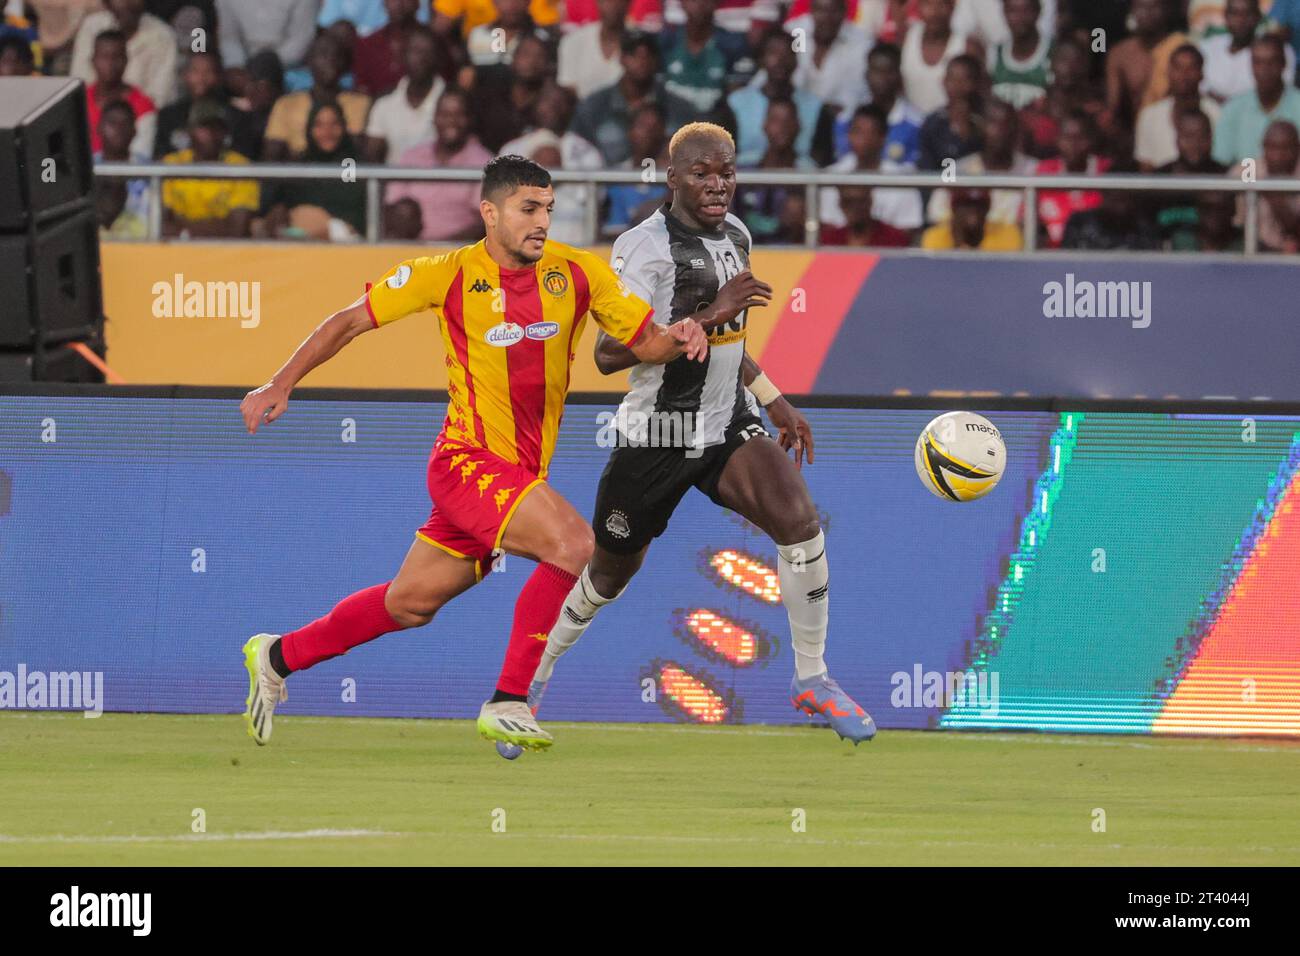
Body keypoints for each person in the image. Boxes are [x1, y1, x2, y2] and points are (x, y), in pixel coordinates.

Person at [238, 155, 708, 752]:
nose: (542, 221)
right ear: (490, 212)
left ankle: (276, 656)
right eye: (528, 209)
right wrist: (279, 383)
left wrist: (684, 333)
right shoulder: (446, 273)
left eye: (549, 209)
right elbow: (348, 322)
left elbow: (646, 342)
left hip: (515, 479)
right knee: (574, 545)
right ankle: (509, 700)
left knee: (409, 604)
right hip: (466, 463)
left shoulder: (578, 274)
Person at [501, 122, 878, 757]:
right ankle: (528, 687)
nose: (717, 185)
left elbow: (732, 342)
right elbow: (609, 353)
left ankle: (811, 677)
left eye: (726, 172)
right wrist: (709, 312)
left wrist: (774, 398)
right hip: (656, 434)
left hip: (726, 421)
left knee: (800, 522)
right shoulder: (642, 248)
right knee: (606, 573)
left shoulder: (737, 235)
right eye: (701, 173)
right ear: (671, 178)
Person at [570, 32, 698, 165]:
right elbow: (577, 153)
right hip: (603, 183)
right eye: (633, 54)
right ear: (622, 59)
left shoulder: (680, 110)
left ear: (656, 60)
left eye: (648, 55)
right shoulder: (594, 107)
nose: (642, 61)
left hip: (663, 182)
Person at [385, 87, 494, 240]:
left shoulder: (484, 162)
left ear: (470, 119)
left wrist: (439, 252)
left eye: (459, 115)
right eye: (444, 114)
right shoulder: (412, 156)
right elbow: (391, 206)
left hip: (457, 254)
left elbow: (486, 223)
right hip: (407, 251)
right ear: (434, 118)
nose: (451, 121)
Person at [256, 101, 367, 240]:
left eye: (334, 124)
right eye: (319, 125)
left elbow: (349, 200)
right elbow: (281, 201)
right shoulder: (302, 162)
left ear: (343, 127)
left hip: (344, 238)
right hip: (297, 238)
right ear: (310, 128)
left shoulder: (348, 163)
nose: (327, 132)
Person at [729, 28, 833, 167]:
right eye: (773, 53)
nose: (781, 60)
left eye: (788, 53)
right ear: (761, 59)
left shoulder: (816, 106)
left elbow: (821, 157)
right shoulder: (736, 103)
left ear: (797, 60)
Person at [262, 32, 372, 161]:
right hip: (299, 175)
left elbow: (357, 151)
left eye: (337, 56)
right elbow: (272, 155)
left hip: (344, 173)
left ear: (345, 63)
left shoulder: (361, 103)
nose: (330, 61)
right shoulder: (286, 104)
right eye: (323, 54)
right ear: (310, 61)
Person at [161, 98, 260, 238]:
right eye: (204, 127)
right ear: (190, 131)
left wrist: (183, 230)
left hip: (225, 253)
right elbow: (162, 223)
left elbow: (237, 229)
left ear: (226, 133)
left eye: (218, 128)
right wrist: (218, 224)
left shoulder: (241, 167)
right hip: (177, 252)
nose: (212, 134)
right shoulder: (172, 163)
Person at [821, 102, 924, 233]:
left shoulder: (902, 180)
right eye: (857, 131)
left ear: (883, 138)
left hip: (888, 251)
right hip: (839, 251)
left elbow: (908, 230)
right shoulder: (830, 176)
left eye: (870, 133)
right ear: (848, 135)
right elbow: (826, 227)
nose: (862, 139)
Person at [71, 0, 178, 107]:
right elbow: (79, 82)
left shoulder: (163, 36)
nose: (128, 3)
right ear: (107, 3)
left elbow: (159, 97)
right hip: (91, 112)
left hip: (142, 116)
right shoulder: (92, 27)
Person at [1212, 34, 1300, 165]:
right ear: (1251, 66)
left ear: (1283, 64)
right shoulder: (1233, 109)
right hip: (1244, 182)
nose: (1265, 70)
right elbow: (1221, 162)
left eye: (1272, 62)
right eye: (1258, 62)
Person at [362, 25, 446, 162]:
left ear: (438, 58)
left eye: (427, 52)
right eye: (415, 51)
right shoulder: (384, 103)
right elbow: (372, 157)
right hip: (394, 182)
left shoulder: (451, 104)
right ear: (402, 56)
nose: (421, 59)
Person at [1134, 43, 1221, 170]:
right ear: (1168, 72)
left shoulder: (1216, 113)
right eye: (1178, 68)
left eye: (1191, 68)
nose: (1184, 75)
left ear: (1201, 74)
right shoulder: (1149, 116)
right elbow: (1146, 167)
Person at [1201, 0, 1294, 102]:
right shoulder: (1209, 47)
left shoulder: (1277, 50)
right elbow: (1199, 87)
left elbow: (1281, 93)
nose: (1241, 20)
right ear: (1226, 16)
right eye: (1234, 13)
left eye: (1248, 14)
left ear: (1258, 16)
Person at [84, 29, 157, 156]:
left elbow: (140, 157)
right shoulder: (77, 101)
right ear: (93, 60)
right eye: (104, 57)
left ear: (126, 61)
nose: (110, 64)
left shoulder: (143, 105)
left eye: (116, 57)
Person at [556, 0, 628, 99]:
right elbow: (567, 89)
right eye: (608, 1)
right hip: (581, 111)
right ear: (598, 3)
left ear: (629, 3)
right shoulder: (573, 42)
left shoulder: (640, 44)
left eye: (619, 1)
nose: (614, 6)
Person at [987, 0, 1051, 109]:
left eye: (1026, 10)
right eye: (1013, 11)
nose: (1020, 17)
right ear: (1004, 13)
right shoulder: (994, 53)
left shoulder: (1054, 53)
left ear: (1038, 11)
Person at [921, 186, 1023, 249]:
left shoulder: (1007, 234)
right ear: (954, 208)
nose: (973, 210)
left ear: (988, 208)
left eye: (979, 205)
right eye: (966, 204)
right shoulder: (935, 236)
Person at [819, 184, 912, 245]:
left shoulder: (894, 238)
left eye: (860, 202)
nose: (855, 208)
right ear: (840, 204)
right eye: (848, 202)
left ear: (870, 201)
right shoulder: (830, 240)